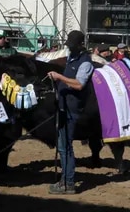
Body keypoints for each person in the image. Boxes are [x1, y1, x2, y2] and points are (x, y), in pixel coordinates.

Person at [47, 30, 93, 195]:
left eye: (72, 45)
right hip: (63, 106)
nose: (69, 48)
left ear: (81, 45)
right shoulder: (71, 59)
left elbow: (79, 84)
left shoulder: (85, 62)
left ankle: (69, 182)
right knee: (62, 146)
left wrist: (60, 77)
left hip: (72, 109)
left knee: (66, 147)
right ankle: (65, 180)